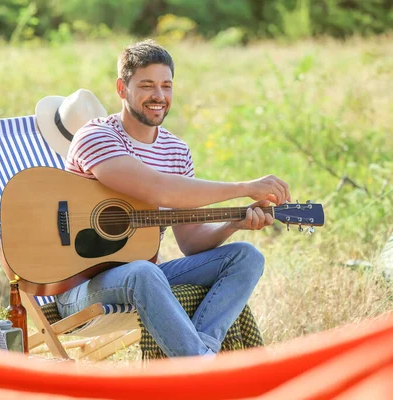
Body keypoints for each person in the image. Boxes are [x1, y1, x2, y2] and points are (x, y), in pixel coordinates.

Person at [35, 40, 291, 357]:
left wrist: (231, 224)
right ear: (121, 88)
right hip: (80, 287)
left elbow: (191, 243)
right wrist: (244, 186)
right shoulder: (96, 135)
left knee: (246, 257)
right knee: (144, 271)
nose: (159, 96)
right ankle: (201, 367)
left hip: (143, 277)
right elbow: (159, 189)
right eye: (147, 85)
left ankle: (202, 352)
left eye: (166, 86)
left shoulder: (177, 151)